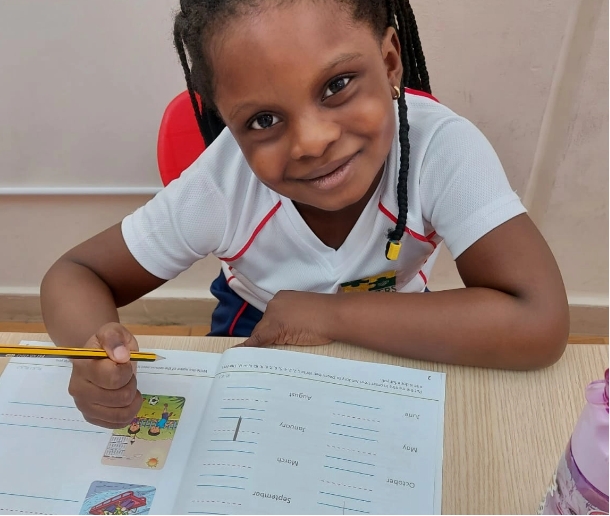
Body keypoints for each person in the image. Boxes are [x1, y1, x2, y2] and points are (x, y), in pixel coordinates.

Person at [41, 0, 569, 429]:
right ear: (226, 120)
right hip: (256, 322)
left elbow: (538, 321)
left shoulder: (441, 149)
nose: (313, 142)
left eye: (337, 85)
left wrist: (326, 314)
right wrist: (91, 353)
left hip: (403, 319)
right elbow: (75, 274)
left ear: (389, 62)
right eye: (264, 119)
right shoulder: (221, 185)